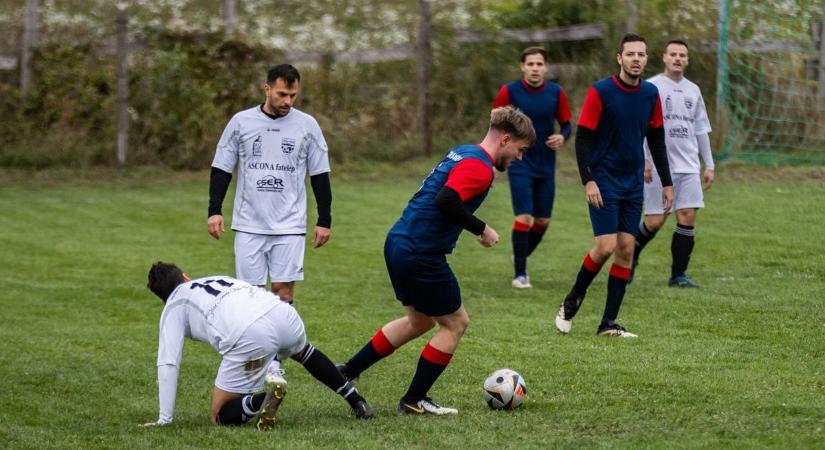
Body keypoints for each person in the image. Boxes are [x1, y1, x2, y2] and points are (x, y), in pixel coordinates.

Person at [337, 107, 535, 414]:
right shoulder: (479, 167)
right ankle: (414, 399)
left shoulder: (464, 152)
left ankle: (348, 370)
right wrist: (482, 229)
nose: (519, 158)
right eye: (519, 150)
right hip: (421, 252)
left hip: (399, 241)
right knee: (456, 323)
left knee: (419, 321)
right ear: (506, 139)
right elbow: (446, 200)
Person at [141, 262, 374, 430]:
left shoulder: (172, 306)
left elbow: (168, 363)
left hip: (249, 334)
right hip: (283, 313)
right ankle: (357, 401)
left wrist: (165, 418)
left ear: (162, 299)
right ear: (186, 276)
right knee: (303, 352)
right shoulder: (215, 278)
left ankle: (262, 399)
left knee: (218, 415)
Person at [554, 34, 674, 338]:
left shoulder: (650, 94)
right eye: (630, 54)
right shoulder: (601, 92)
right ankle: (571, 301)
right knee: (605, 246)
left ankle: (608, 324)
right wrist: (589, 180)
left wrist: (667, 183)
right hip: (604, 180)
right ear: (619, 58)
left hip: (633, 183)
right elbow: (582, 139)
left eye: (642, 54)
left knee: (626, 249)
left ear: (647, 59)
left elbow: (657, 141)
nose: (636, 59)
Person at [208, 64, 332, 305]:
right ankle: (253, 344)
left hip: (290, 224)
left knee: (282, 293)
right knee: (249, 296)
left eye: (293, 95)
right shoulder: (241, 122)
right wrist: (214, 210)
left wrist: (324, 220)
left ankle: (285, 343)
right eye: (282, 94)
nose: (288, 101)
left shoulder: (307, 126)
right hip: (249, 224)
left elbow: (320, 174)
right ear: (267, 89)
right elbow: (222, 168)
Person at [632, 39, 715, 288]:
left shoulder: (694, 90)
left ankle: (678, 275)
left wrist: (709, 164)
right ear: (664, 58)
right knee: (655, 220)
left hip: (688, 165)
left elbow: (701, 129)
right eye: (673, 54)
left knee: (687, 216)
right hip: (659, 165)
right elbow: (642, 127)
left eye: (682, 55)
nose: (678, 58)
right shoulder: (652, 87)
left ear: (687, 60)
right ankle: (631, 255)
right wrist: (645, 159)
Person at [492, 47, 572, 289]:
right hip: (520, 162)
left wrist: (562, 137)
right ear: (522, 66)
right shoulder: (510, 91)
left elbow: (567, 124)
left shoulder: (556, 93)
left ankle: (520, 255)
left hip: (546, 164)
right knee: (524, 217)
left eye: (539, 64)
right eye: (531, 64)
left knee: (543, 221)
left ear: (545, 67)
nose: (535, 68)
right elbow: (495, 122)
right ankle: (520, 275)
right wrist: (499, 152)